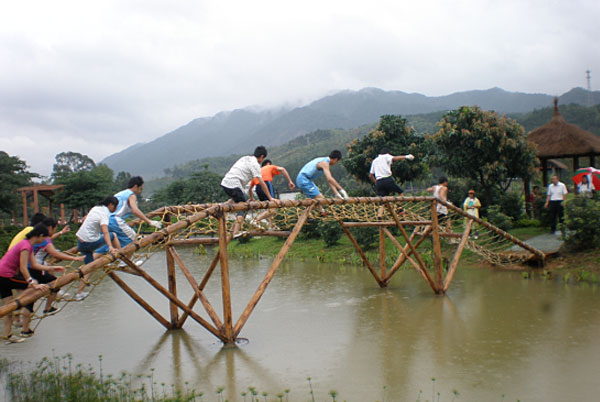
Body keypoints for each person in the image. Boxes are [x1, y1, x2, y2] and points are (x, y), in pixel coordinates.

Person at [0, 224, 65, 342]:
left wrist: (53, 268)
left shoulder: (27, 244)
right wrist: (32, 283)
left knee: (6, 309)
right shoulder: (25, 247)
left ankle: (8, 335)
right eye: (44, 238)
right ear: (40, 236)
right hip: (5, 275)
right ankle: (16, 307)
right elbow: (24, 268)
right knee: (35, 287)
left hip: (2, 274)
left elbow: (34, 265)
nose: (44, 241)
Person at [96, 176, 163, 255]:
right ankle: (125, 263)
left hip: (103, 221)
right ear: (135, 186)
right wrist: (149, 221)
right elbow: (135, 210)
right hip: (114, 220)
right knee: (133, 239)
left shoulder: (120, 194)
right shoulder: (131, 195)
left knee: (108, 242)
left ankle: (92, 262)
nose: (140, 191)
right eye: (140, 188)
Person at [221, 146, 274, 237]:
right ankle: (236, 232)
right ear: (261, 156)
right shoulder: (255, 165)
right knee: (244, 207)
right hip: (234, 184)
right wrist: (270, 198)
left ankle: (220, 208)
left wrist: (250, 198)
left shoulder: (245, 158)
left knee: (234, 201)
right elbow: (262, 183)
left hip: (226, 183)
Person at [75, 196, 121, 300]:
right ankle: (121, 257)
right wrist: (110, 247)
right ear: (111, 205)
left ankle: (79, 293)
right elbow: (105, 231)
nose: (115, 209)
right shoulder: (105, 213)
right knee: (112, 234)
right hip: (89, 242)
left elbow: (84, 219)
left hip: (80, 242)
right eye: (115, 207)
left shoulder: (95, 208)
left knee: (89, 268)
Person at [248, 159, 296, 228]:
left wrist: (251, 198)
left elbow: (250, 189)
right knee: (273, 208)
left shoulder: (257, 173)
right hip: (266, 184)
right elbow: (282, 169)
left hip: (258, 188)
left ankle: (271, 226)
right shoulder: (269, 166)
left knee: (269, 208)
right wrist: (290, 181)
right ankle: (256, 220)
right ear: (268, 163)